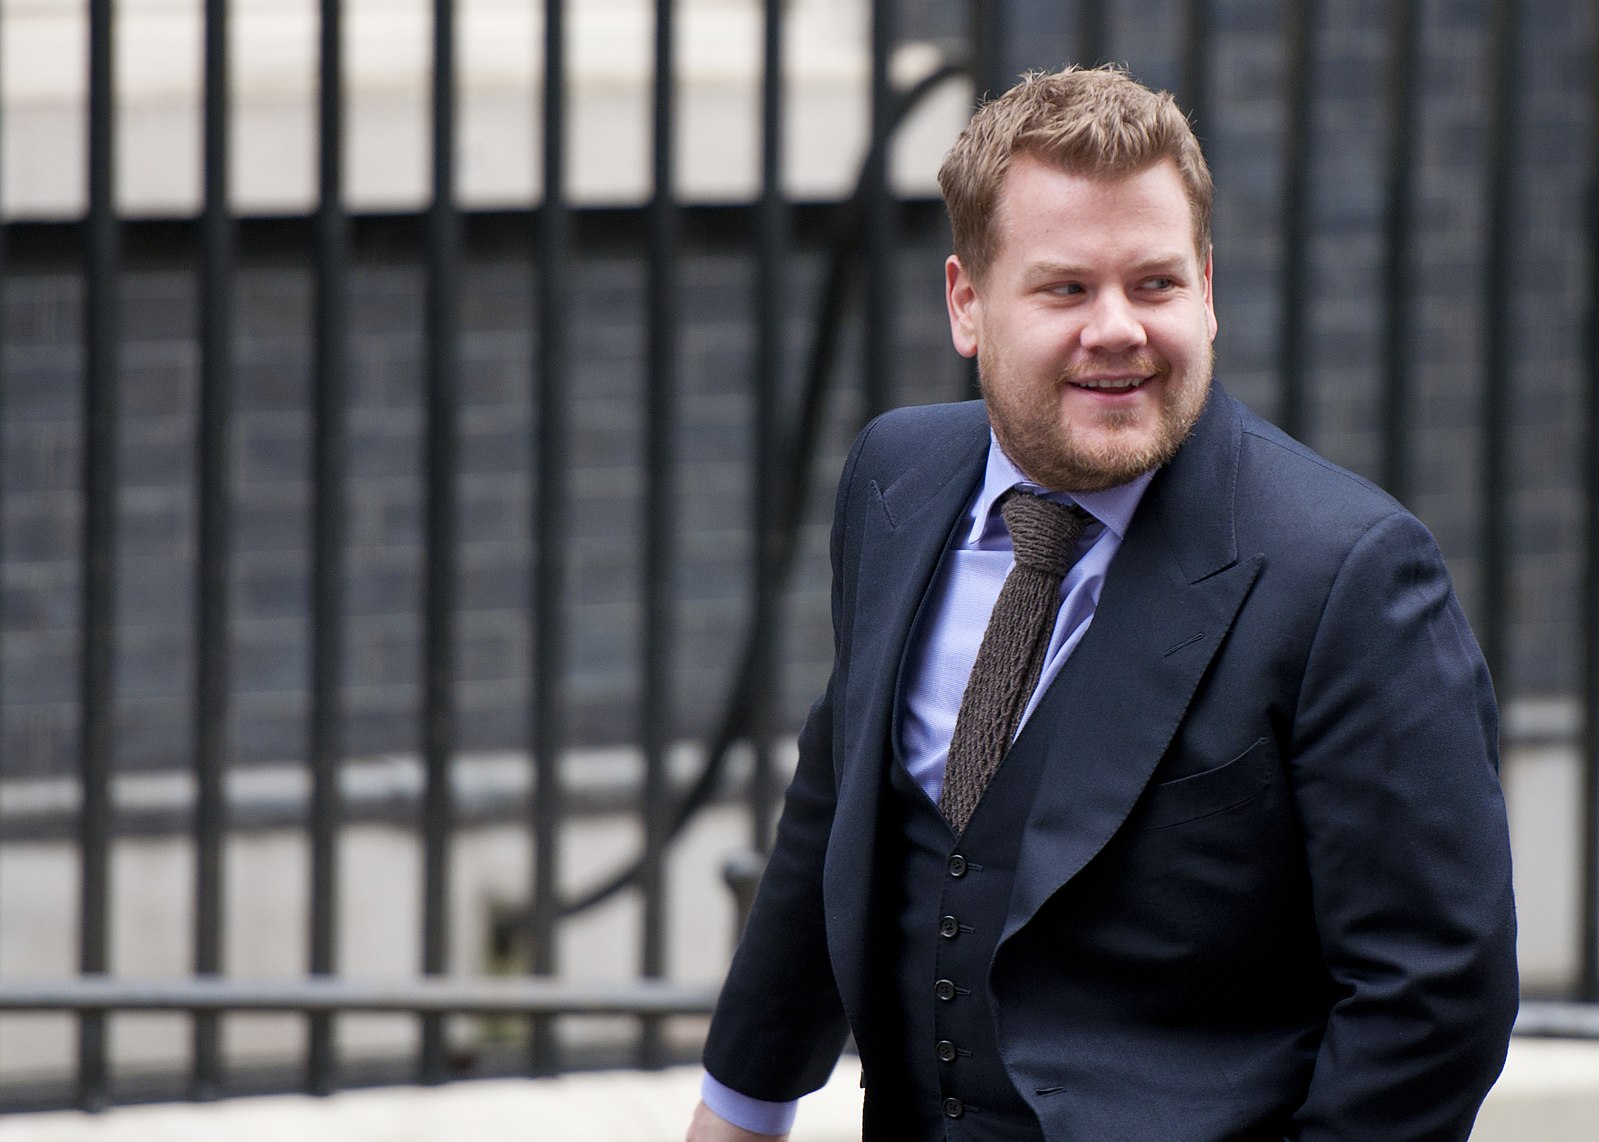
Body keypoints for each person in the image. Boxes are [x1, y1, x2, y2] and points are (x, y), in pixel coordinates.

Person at [687, 65, 1517, 1142]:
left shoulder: (1349, 574)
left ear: (1209, 289)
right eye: (1067, 288)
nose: (1118, 328)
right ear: (967, 302)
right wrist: (741, 1105)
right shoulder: (894, 478)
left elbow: (1436, 993)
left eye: (1157, 284)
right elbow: (840, 796)